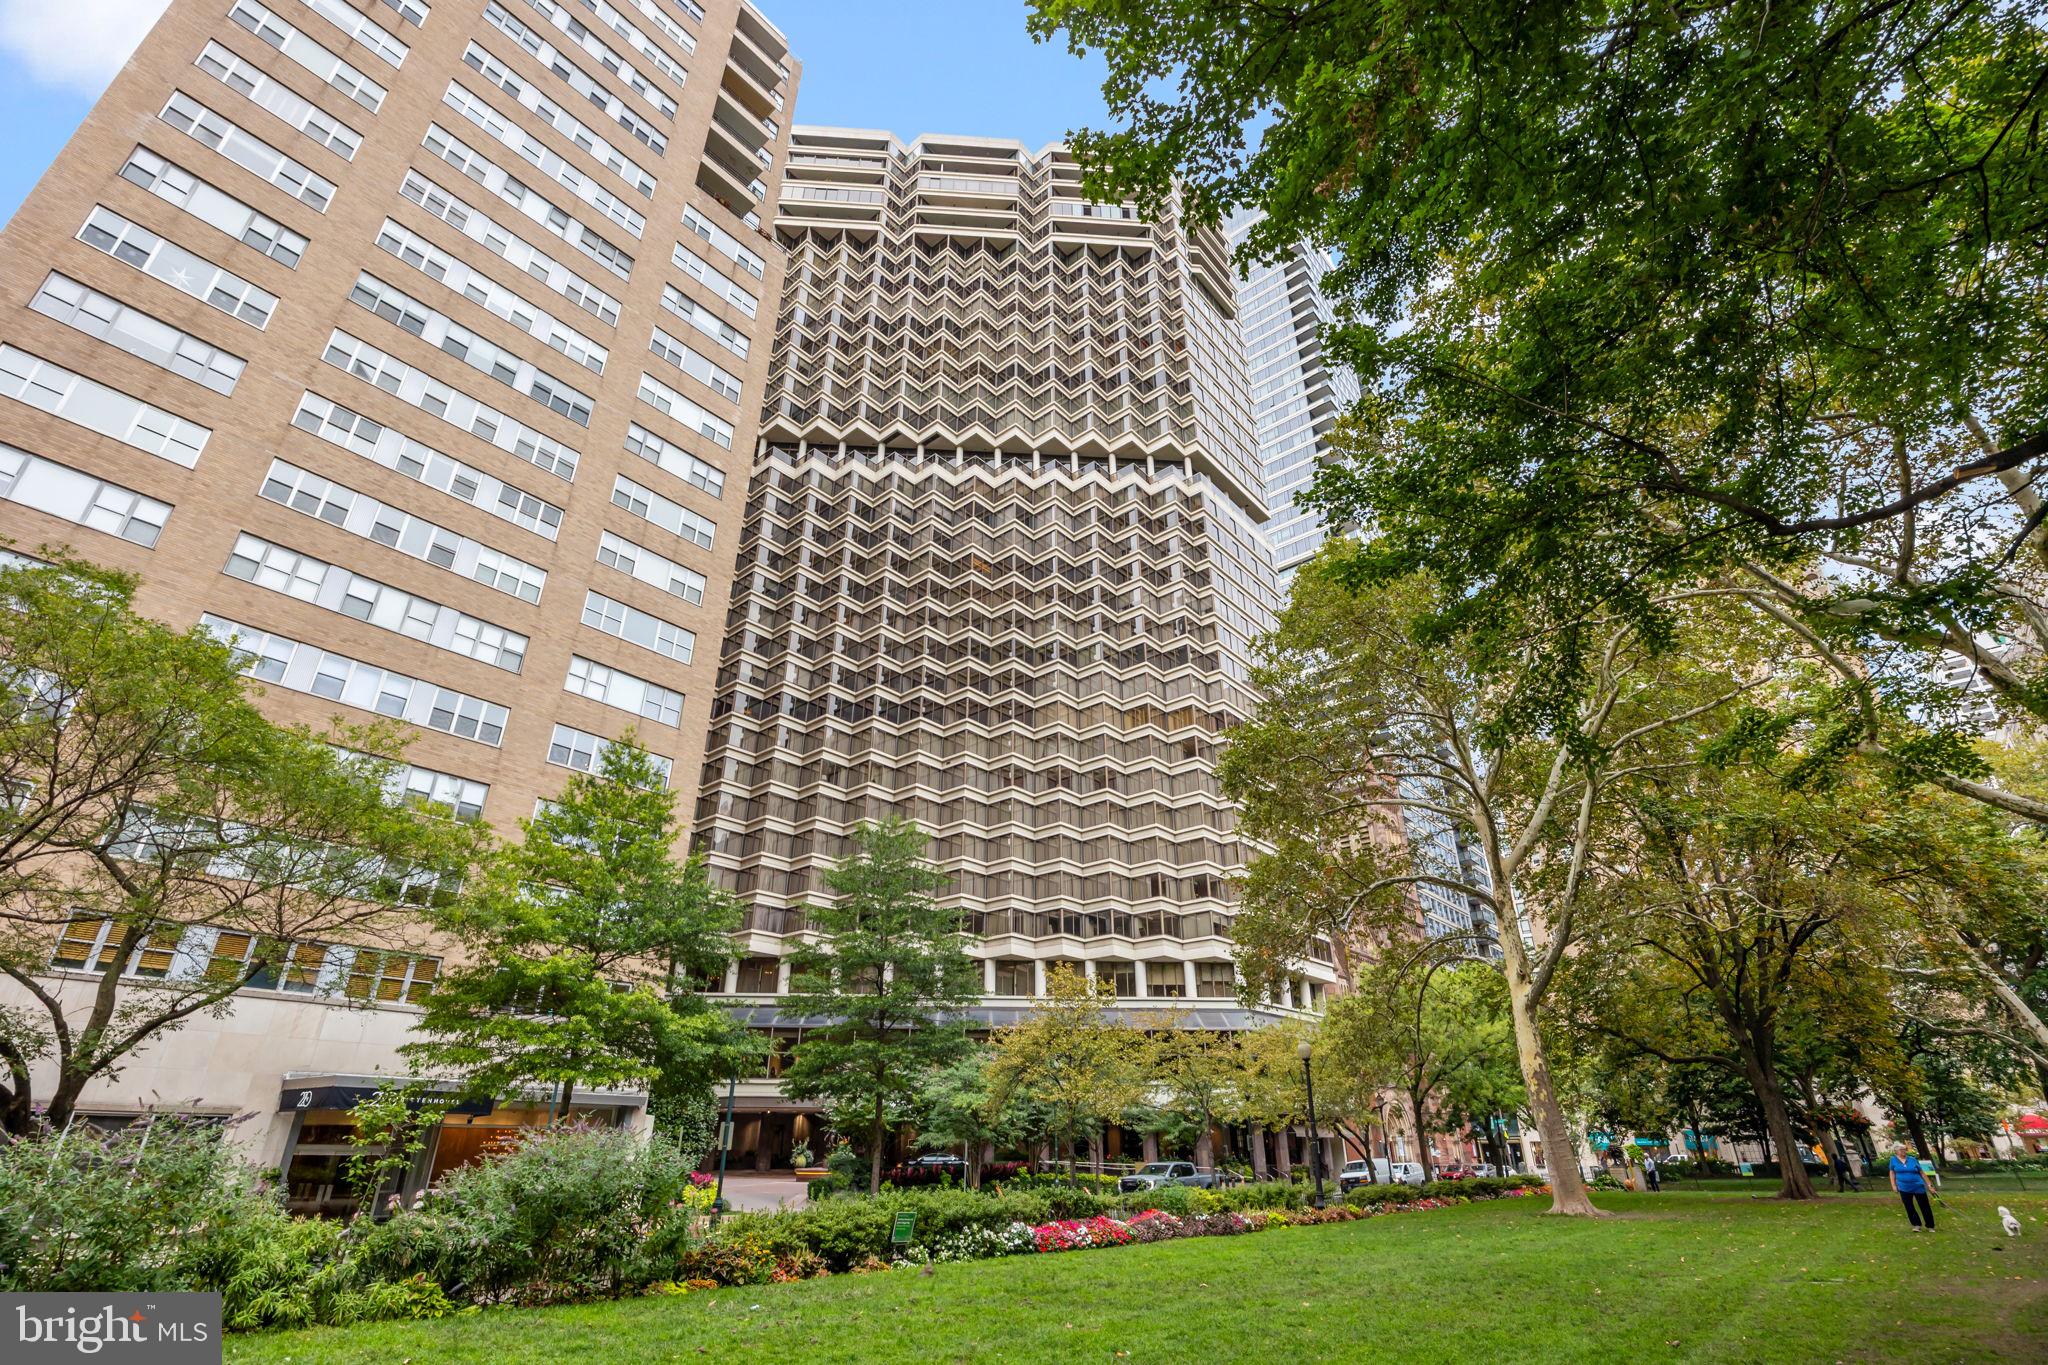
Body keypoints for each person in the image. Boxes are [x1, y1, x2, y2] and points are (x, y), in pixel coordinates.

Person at [1889, 1145, 1934, 1231]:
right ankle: (1917, 1225)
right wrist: (1894, 1185)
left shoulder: (1912, 1159)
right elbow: (1892, 1173)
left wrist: (1929, 1185)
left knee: (1925, 1206)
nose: (1904, 1151)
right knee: (1909, 1207)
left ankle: (1930, 1226)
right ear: (1896, 1151)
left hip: (1918, 1186)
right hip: (1903, 1187)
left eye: (1904, 1149)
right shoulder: (1893, 1160)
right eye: (1901, 1150)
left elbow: (1922, 1173)